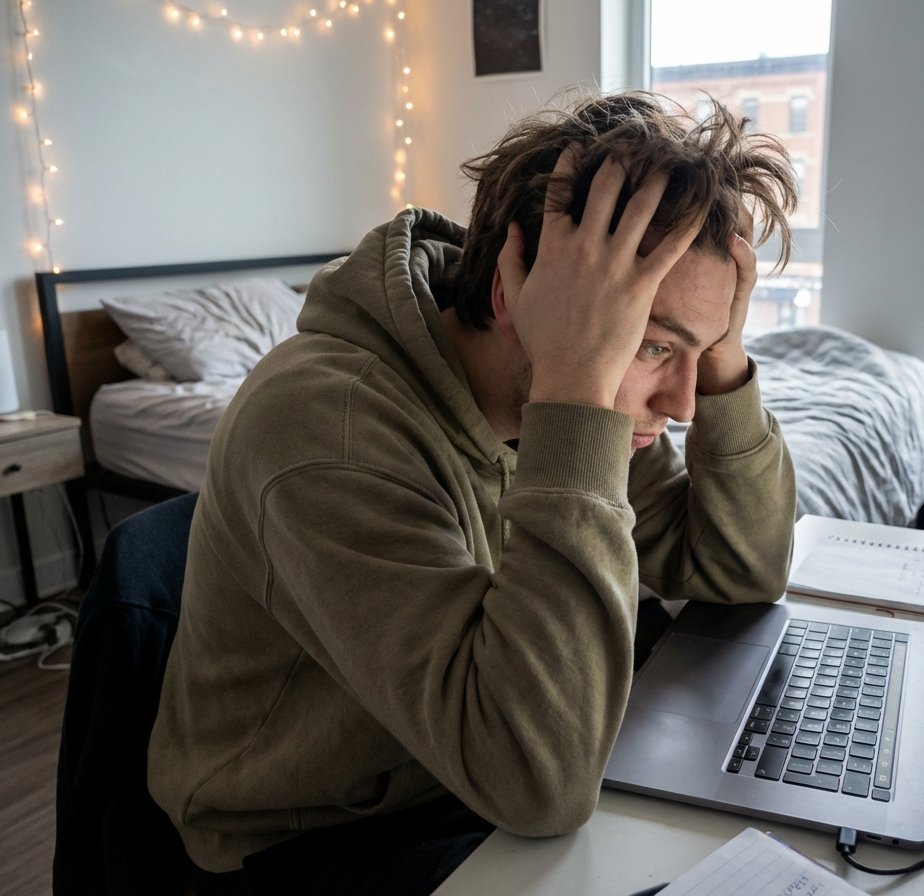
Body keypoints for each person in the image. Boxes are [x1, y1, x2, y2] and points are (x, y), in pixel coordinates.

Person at [147, 88, 800, 894]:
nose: (685, 407)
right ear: (509, 295)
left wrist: (720, 353)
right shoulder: (330, 430)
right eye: (655, 346)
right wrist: (577, 390)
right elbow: (538, 782)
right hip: (318, 838)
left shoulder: (577, 385)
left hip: (475, 770)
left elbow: (741, 569)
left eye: (701, 353)